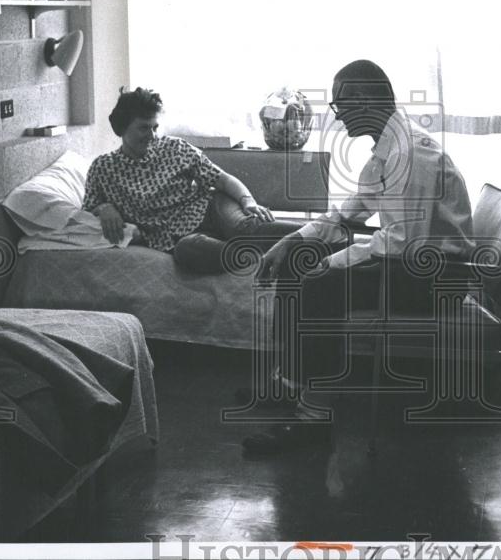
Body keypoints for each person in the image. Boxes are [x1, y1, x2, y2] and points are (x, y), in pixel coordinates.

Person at [241, 60, 477, 454]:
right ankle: (290, 386)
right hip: (413, 268)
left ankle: (313, 420)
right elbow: (348, 212)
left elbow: (399, 243)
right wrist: (291, 242)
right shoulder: (391, 146)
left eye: (339, 105)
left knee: (320, 282)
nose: (336, 116)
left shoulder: (411, 154)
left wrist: (329, 263)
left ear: (365, 101)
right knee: (299, 259)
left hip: (440, 280)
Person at [83, 87, 302, 273]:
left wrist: (248, 202)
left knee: (244, 230)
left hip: (212, 209)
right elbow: (85, 211)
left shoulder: (174, 148)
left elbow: (223, 180)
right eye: (143, 127)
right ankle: (265, 259)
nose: (152, 136)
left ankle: (321, 232)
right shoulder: (103, 168)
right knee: (187, 252)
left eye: (155, 127)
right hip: (179, 237)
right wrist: (103, 207)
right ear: (121, 127)